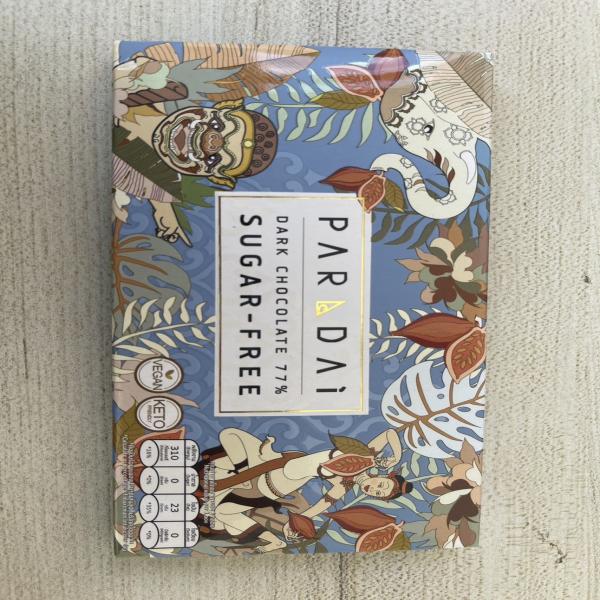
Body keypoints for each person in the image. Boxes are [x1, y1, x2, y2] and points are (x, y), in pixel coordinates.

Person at [194, 427, 413, 553]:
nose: (374, 489)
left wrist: (293, 523)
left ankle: (272, 540)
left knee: (222, 512)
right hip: (271, 462)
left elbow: (319, 507)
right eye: (381, 485)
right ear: (382, 476)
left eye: (377, 494)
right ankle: (240, 472)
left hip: (269, 486)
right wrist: (396, 456)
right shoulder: (365, 456)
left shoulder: (343, 485)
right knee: (230, 434)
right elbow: (389, 433)